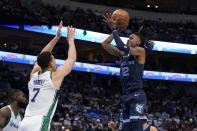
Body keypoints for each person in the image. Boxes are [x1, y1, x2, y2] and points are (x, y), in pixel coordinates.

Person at [18, 21, 77, 131]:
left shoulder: (34, 74)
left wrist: (57, 37)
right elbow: (71, 59)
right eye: (54, 59)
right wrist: (71, 40)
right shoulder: (54, 76)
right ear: (50, 64)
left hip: (24, 122)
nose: (55, 61)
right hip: (39, 123)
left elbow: (41, 56)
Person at [102, 13, 153, 131]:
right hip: (125, 95)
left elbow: (121, 46)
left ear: (138, 43)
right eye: (128, 37)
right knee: (124, 128)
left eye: (131, 38)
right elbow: (104, 44)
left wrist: (114, 29)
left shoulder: (140, 51)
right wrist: (118, 30)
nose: (128, 39)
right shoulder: (123, 54)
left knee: (136, 127)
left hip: (137, 95)